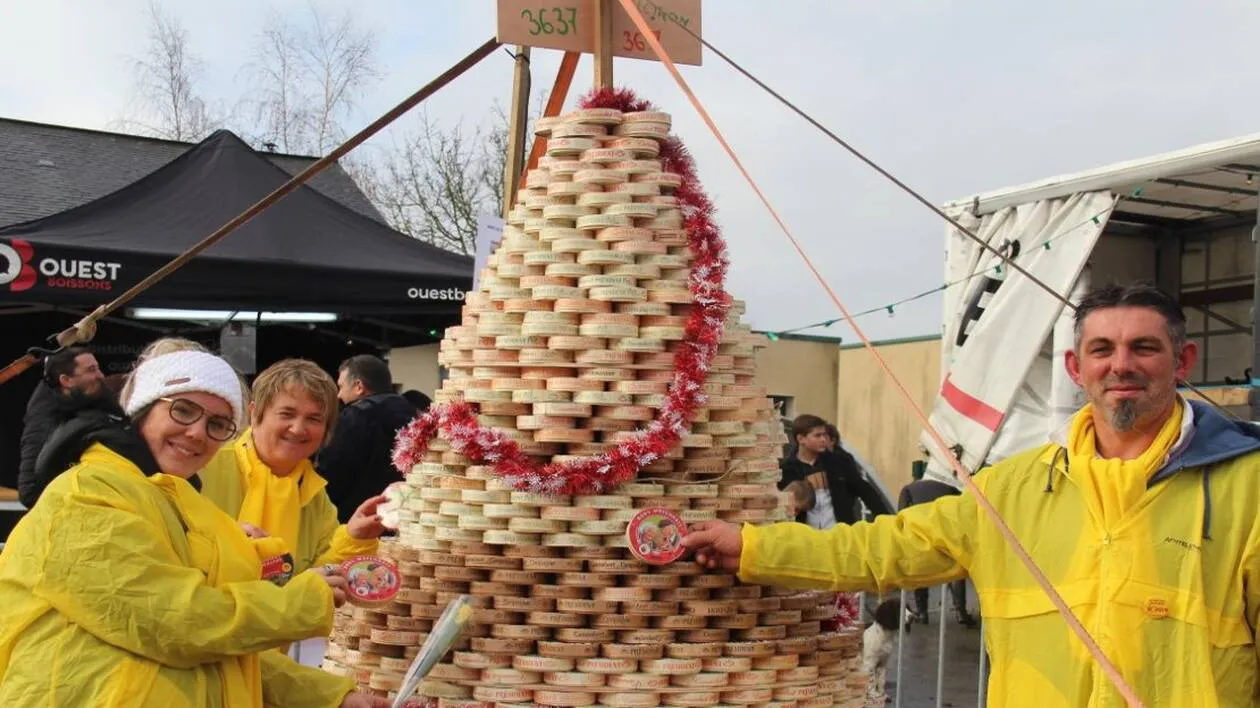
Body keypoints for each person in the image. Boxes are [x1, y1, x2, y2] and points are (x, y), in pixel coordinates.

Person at [684, 283, 1260, 706]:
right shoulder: (1015, 487)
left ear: (1183, 360)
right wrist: (751, 548)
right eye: (1102, 349)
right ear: (1075, 366)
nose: (1121, 365)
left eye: (1145, 348)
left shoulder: (1246, 485)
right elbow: (884, 548)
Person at [0, 347, 388, 707]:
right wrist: (302, 601)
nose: (197, 432)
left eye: (218, 424)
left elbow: (219, 648)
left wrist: (331, 696)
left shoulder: (181, 500)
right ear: (143, 408)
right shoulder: (87, 494)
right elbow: (171, 624)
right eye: (183, 411)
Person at [200, 358, 386, 578]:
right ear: (254, 412)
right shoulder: (203, 468)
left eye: (314, 419)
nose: (298, 429)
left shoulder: (315, 496)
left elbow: (316, 575)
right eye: (286, 414)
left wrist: (355, 537)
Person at [318, 354, 417, 522]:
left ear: (358, 386)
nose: (339, 395)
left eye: (341, 387)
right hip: (400, 516)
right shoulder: (414, 414)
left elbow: (334, 470)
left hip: (355, 519)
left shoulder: (355, 416)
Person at [17, 345, 106, 507]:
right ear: (66, 380)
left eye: (98, 368)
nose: (100, 375)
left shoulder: (93, 404)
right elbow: (30, 492)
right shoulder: (45, 420)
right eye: (91, 370)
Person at [897, 462, 977, 627]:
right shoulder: (950, 487)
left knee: (920, 568)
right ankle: (960, 611)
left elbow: (900, 515)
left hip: (920, 527)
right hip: (945, 525)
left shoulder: (908, 488)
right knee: (956, 567)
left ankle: (922, 612)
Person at [779, 414, 888, 526]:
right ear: (801, 439)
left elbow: (865, 491)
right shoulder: (786, 470)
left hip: (840, 533)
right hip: (807, 537)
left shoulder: (840, 461)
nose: (823, 439)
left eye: (824, 435)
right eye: (817, 435)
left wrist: (886, 521)